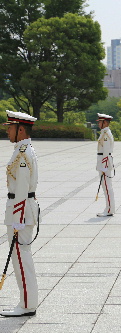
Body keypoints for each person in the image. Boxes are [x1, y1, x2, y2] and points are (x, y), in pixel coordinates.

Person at [1, 110, 39, 317]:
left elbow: (22, 189)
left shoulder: (23, 152)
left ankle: (26, 305)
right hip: (22, 211)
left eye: (11, 128)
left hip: (20, 212)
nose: (7, 131)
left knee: (21, 259)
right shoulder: (23, 149)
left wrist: (18, 220)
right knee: (22, 258)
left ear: (21, 129)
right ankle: (28, 302)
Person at [96, 113, 115, 217]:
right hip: (103, 161)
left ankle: (109, 210)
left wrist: (104, 166)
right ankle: (109, 208)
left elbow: (106, 152)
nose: (99, 123)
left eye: (100, 122)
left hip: (105, 162)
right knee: (106, 186)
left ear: (105, 122)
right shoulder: (104, 132)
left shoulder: (106, 134)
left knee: (107, 187)